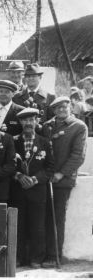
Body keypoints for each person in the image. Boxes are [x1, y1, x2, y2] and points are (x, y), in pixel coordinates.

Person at [41, 97, 87, 268]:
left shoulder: (78, 126)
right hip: (45, 178)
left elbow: (78, 156)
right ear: (53, 110)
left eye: (64, 107)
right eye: (57, 108)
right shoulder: (47, 126)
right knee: (42, 217)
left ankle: (54, 255)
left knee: (56, 217)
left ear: (70, 107)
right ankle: (40, 253)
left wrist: (61, 174)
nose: (61, 110)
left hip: (62, 180)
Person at [10, 108, 54, 268]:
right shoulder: (13, 141)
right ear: (20, 122)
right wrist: (19, 176)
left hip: (37, 190)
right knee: (17, 225)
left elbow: (50, 167)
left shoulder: (45, 142)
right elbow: (7, 164)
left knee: (38, 226)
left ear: (37, 121)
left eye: (31, 120)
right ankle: (17, 257)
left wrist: (35, 179)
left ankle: (37, 258)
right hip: (17, 190)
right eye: (25, 120)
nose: (28, 123)